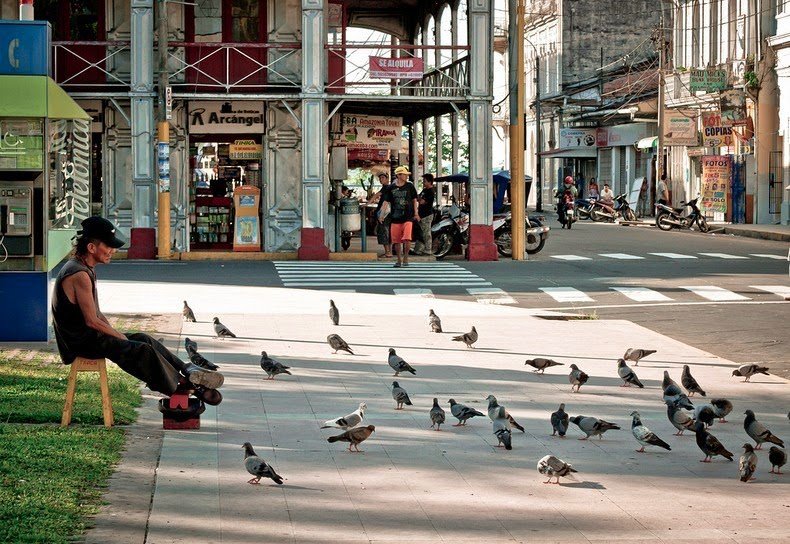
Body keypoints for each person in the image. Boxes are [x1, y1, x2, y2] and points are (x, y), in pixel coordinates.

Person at [52, 217, 225, 405]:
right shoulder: (78, 274)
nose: (113, 251)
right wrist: (120, 337)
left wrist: (118, 335)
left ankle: (187, 369)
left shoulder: (85, 268)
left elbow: (98, 315)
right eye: (108, 246)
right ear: (91, 248)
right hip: (78, 343)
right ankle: (182, 385)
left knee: (143, 338)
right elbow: (92, 321)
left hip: (90, 337)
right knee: (140, 350)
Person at [382, 165, 419, 267]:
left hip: (408, 217)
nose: (406, 176)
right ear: (398, 175)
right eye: (404, 174)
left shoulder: (410, 186)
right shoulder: (391, 188)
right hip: (395, 218)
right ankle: (399, 259)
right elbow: (386, 202)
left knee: (407, 238)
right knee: (396, 241)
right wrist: (382, 214)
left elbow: (414, 200)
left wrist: (416, 213)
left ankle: (406, 257)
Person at [412, 173, 435, 256]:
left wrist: (419, 199)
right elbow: (418, 198)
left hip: (427, 215)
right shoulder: (424, 190)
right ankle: (418, 249)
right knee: (420, 232)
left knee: (426, 232)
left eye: (425, 181)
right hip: (421, 214)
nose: (423, 183)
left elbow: (421, 201)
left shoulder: (431, 192)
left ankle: (428, 249)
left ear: (430, 182)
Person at [374, 172, 393, 257]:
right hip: (388, 213)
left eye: (383, 178)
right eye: (380, 178)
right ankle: (389, 251)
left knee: (384, 232)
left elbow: (377, 195)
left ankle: (388, 252)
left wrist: (368, 203)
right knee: (388, 232)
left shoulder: (386, 187)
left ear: (387, 179)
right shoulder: (387, 188)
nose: (381, 180)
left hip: (384, 213)